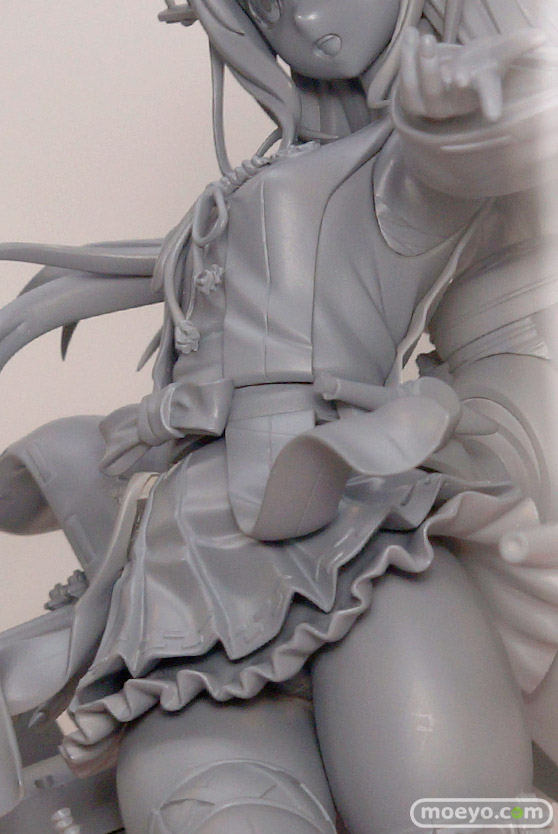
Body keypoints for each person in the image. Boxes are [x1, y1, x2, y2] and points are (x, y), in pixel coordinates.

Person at [1, 0, 558, 832]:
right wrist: (135, 418)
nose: (305, 17)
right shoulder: (253, 185)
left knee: (447, 810)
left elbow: (476, 152)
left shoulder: (402, 159)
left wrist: (485, 91)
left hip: (352, 531)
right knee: (209, 803)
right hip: (195, 561)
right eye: (266, 5)